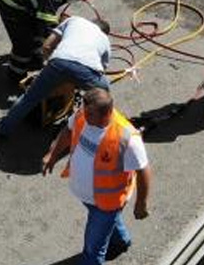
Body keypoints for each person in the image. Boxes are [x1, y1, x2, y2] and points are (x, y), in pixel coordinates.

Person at [42, 87, 151, 265]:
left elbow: (143, 169)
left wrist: (141, 203)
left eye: (90, 114)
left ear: (106, 113)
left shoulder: (127, 137)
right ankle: (121, 241)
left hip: (107, 204)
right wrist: (52, 155)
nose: (84, 116)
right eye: (84, 111)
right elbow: (68, 131)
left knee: (93, 250)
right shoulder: (83, 116)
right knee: (105, 226)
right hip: (87, 196)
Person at [0, 15, 111, 137]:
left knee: (29, 98)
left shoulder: (74, 20)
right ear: (105, 33)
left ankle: (3, 128)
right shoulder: (105, 40)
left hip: (58, 62)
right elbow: (101, 70)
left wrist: (50, 68)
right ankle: (97, 131)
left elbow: (47, 46)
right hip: (86, 71)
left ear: (91, 21)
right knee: (104, 94)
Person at [0, 0, 97, 76]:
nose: (77, 0)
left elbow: (45, 20)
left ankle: (34, 57)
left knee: (37, 29)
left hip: (25, 1)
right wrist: (62, 42)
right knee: (24, 43)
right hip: (10, 3)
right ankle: (16, 73)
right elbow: (47, 26)